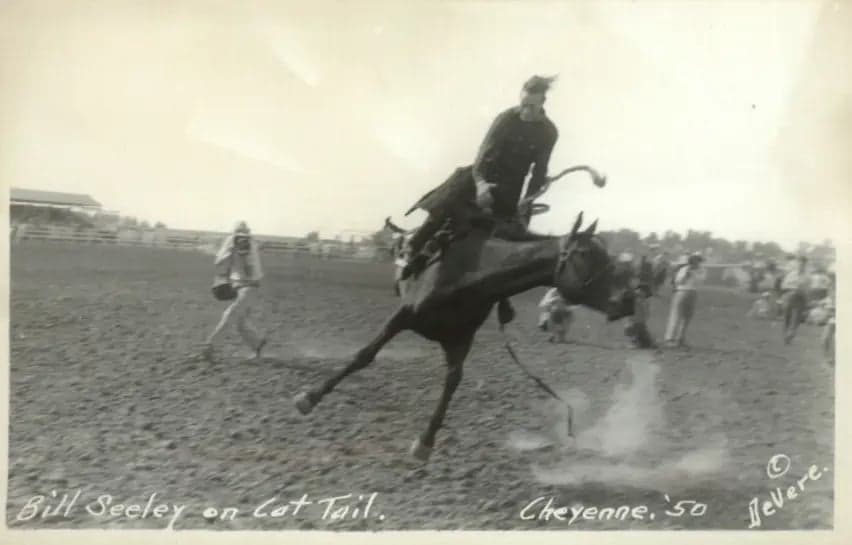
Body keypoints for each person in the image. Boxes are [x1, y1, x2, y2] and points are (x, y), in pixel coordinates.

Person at [399, 75, 561, 280]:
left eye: (531, 106)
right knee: (445, 204)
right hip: (481, 176)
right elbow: (482, 156)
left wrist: (527, 199)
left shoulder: (549, 132)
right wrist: (481, 185)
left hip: (510, 190)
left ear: (542, 103)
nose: (526, 111)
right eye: (523, 104)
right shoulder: (506, 119)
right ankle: (413, 248)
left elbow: (539, 172)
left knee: (514, 235)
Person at [202, 221, 267, 361]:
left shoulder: (239, 241)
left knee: (230, 314)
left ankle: (211, 345)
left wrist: (229, 255)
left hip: (248, 287)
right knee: (240, 322)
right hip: (248, 287)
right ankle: (258, 343)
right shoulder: (246, 242)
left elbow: (222, 264)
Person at [664, 253, 703, 347]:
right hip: (682, 292)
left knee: (687, 317)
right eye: (695, 260)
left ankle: (680, 338)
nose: (697, 263)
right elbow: (678, 282)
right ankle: (669, 339)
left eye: (698, 261)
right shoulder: (683, 269)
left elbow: (700, 281)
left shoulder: (701, 270)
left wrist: (692, 273)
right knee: (676, 315)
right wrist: (686, 274)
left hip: (693, 292)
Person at [779, 255, 809, 345]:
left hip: (800, 299)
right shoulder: (791, 274)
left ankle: (790, 336)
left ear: (805, 265)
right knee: (786, 319)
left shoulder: (807, 276)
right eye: (799, 263)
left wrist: (806, 301)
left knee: (795, 320)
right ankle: (785, 338)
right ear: (797, 264)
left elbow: (807, 290)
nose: (801, 265)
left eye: (803, 264)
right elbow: (783, 286)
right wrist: (793, 288)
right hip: (788, 297)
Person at [625, 281, 656, 348]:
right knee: (634, 329)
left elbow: (646, 314)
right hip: (634, 324)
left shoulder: (643, 301)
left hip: (640, 324)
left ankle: (638, 341)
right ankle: (634, 341)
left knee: (648, 343)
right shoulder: (636, 299)